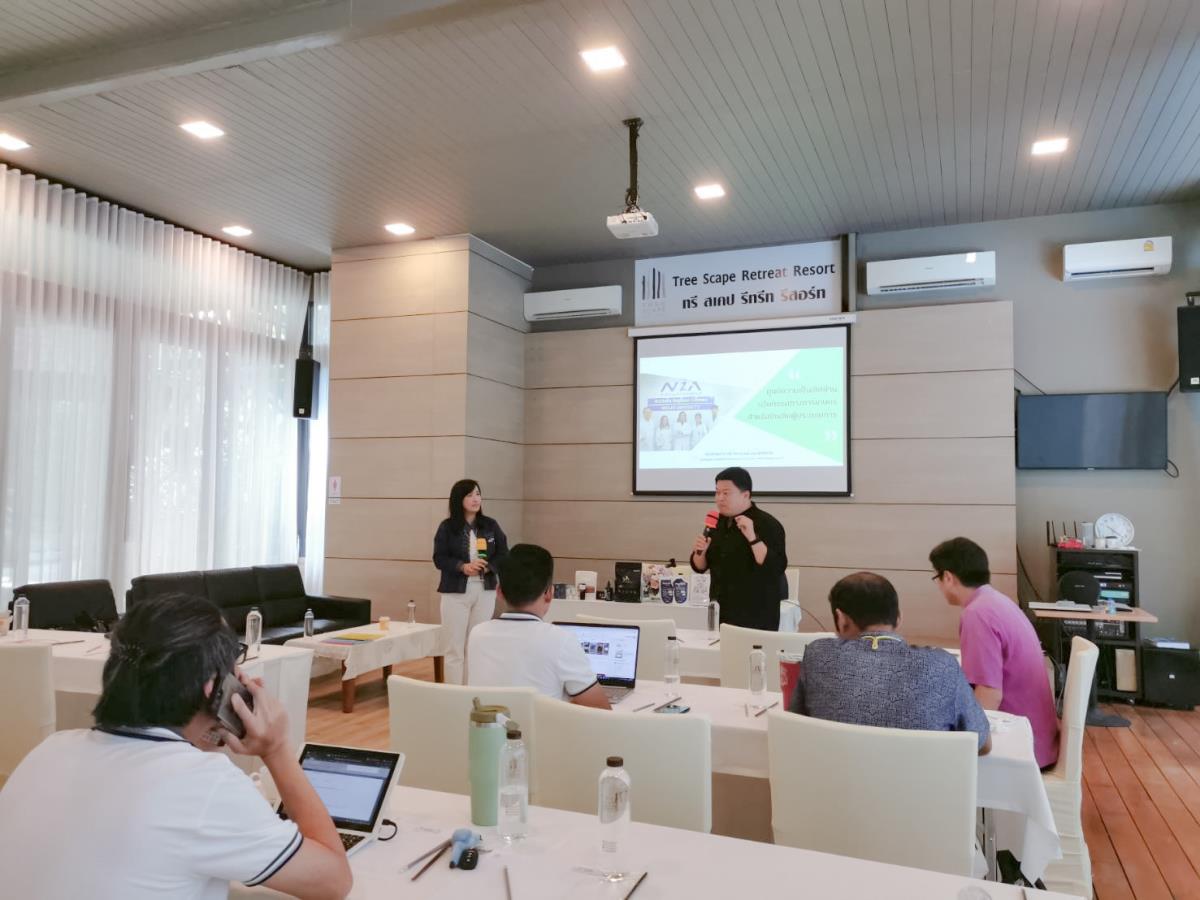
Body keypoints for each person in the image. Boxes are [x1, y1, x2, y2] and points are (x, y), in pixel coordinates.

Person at [0, 594, 352, 900]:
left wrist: (204, 737)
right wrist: (276, 749)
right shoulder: (205, 783)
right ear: (214, 688)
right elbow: (334, 881)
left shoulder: (51, 749)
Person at [788, 572, 991, 754]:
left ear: (841, 619)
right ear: (899, 618)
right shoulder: (942, 665)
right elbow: (982, 743)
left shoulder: (817, 655)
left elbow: (794, 725)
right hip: (919, 784)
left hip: (832, 783)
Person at [931, 536, 1059, 768]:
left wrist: (964, 750)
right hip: (1040, 739)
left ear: (948, 577)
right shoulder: (997, 601)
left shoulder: (977, 614)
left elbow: (989, 694)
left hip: (1019, 747)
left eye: (936, 578)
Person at [467, 543, 611, 709]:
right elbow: (602, 710)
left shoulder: (477, 634)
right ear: (549, 593)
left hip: (489, 725)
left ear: (499, 591)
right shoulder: (560, 640)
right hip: (541, 726)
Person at [690, 467, 787, 630]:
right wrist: (701, 552)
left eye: (726, 493)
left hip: (756, 617)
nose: (719, 498)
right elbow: (699, 567)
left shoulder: (767, 524)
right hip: (720, 613)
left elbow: (775, 567)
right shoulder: (716, 523)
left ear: (746, 495)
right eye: (717, 492)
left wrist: (753, 538)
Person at [432, 478, 510, 684]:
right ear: (459, 499)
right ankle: (454, 694)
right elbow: (439, 558)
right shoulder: (447, 527)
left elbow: (504, 554)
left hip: (485, 591)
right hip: (455, 593)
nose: (476, 499)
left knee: (475, 645)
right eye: (469, 495)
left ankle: (470, 693)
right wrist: (462, 567)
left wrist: (489, 566)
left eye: (478, 494)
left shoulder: (490, 525)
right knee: (454, 648)